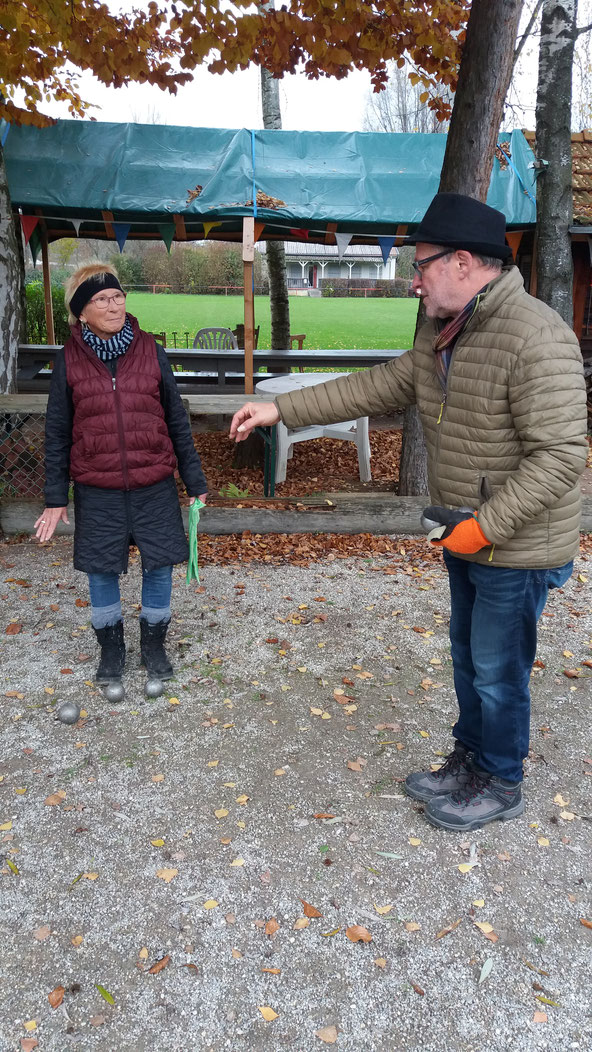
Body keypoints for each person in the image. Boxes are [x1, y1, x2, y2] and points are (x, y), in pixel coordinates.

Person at [229, 192, 588, 832]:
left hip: (516, 544)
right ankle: (471, 758)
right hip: (466, 531)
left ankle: (501, 779)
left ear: (463, 263)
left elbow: (561, 458)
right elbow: (380, 385)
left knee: (498, 672)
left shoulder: (537, 336)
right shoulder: (442, 329)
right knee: (467, 656)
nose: (413, 279)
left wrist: (485, 526)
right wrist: (280, 409)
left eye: (421, 265)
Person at [35, 263, 208, 687]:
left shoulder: (150, 349)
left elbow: (175, 418)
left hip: (154, 484)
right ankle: (112, 651)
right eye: (101, 300)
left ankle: (153, 646)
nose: (113, 305)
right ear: (81, 313)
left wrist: (195, 482)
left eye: (117, 296)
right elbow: (57, 432)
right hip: (98, 489)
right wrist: (56, 497)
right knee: (100, 570)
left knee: (160, 567)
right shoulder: (68, 360)